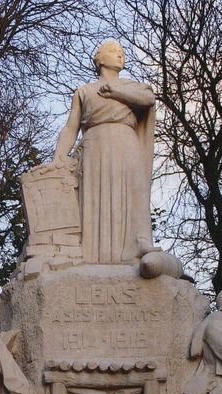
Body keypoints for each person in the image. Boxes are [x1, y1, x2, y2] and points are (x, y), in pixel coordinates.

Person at [53, 40, 156, 263]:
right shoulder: (85, 91)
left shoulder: (132, 87)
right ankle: (92, 256)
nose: (120, 55)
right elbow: (71, 128)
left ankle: (138, 245)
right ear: (99, 59)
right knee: (93, 198)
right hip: (95, 146)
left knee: (133, 192)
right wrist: (58, 158)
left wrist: (117, 92)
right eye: (113, 51)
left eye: (122, 52)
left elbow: (148, 99)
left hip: (126, 143)